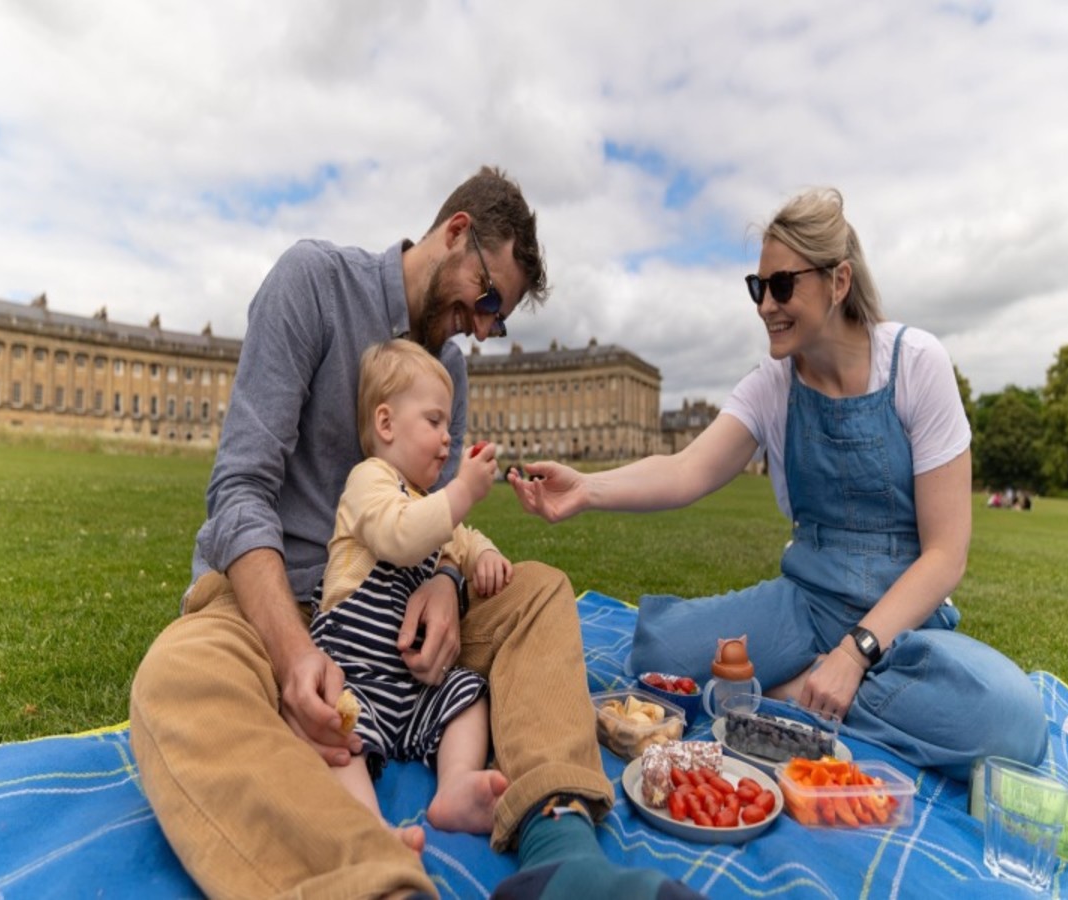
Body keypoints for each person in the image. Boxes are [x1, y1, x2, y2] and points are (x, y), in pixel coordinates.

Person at [129, 166, 702, 900]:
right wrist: (292, 650)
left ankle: (562, 850)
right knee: (176, 678)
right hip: (270, 599)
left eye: (499, 319)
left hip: (398, 610)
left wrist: (444, 581)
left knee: (538, 591)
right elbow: (240, 489)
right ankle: (369, 881)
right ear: (456, 233)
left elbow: (441, 516)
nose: (485, 327)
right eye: (488, 299)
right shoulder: (312, 283)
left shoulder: (449, 371)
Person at [512, 187, 1047, 782]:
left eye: (783, 286)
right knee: (659, 657)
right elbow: (687, 469)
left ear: (839, 281)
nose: (766, 304)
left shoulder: (916, 363)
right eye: (757, 287)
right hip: (805, 605)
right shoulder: (773, 383)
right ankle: (814, 689)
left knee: (1013, 727)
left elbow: (946, 555)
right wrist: (587, 487)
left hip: (904, 622)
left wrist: (853, 654)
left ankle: (791, 693)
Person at [313, 339, 513, 848]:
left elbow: (464, 539)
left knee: (468, 696)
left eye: (448, 425)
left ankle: (455, 787)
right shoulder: (369, 482)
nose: (448, 439)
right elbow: (399, 536)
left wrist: (485, 557)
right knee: (337, 735)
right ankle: (369, 827)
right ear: (386, 424)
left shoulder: (431, 502)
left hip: (415, 686)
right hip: (354, 671)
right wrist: (463, 492)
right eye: (434, 422)